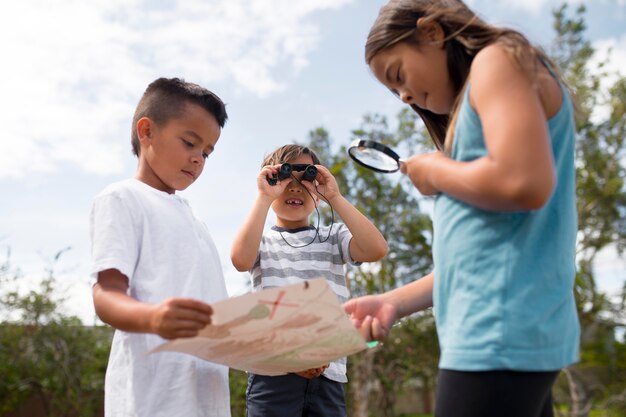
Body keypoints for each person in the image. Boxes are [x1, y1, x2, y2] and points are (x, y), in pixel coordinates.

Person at [343, 1, 581, 417]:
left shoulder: (496, 59)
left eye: (398, 75)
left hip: (496, 330)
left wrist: (437, 170)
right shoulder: (482, 97)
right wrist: (393, 302)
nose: (403, 96)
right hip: (505, 331)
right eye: (393, 91)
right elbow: (476, 257)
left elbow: (525, 182)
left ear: (433, 33)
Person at [90, 77, 231, 417]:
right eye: (189, 142)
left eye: (207, 153)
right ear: (147, 131)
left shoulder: (197, 224)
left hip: (207, 401)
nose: (198, 159)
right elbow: (106, 295)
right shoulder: (122, 198)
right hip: (151, 401)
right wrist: (154, 317)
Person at [231, 144, 388, 417]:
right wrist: (264, 197)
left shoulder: (334, 237)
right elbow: (240, 260)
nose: (295, 188)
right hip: (272, 374)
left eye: (306, 180)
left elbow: (376, 249)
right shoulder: (262, 240)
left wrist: (334, 196)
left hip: (328, 375)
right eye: (284, 180)